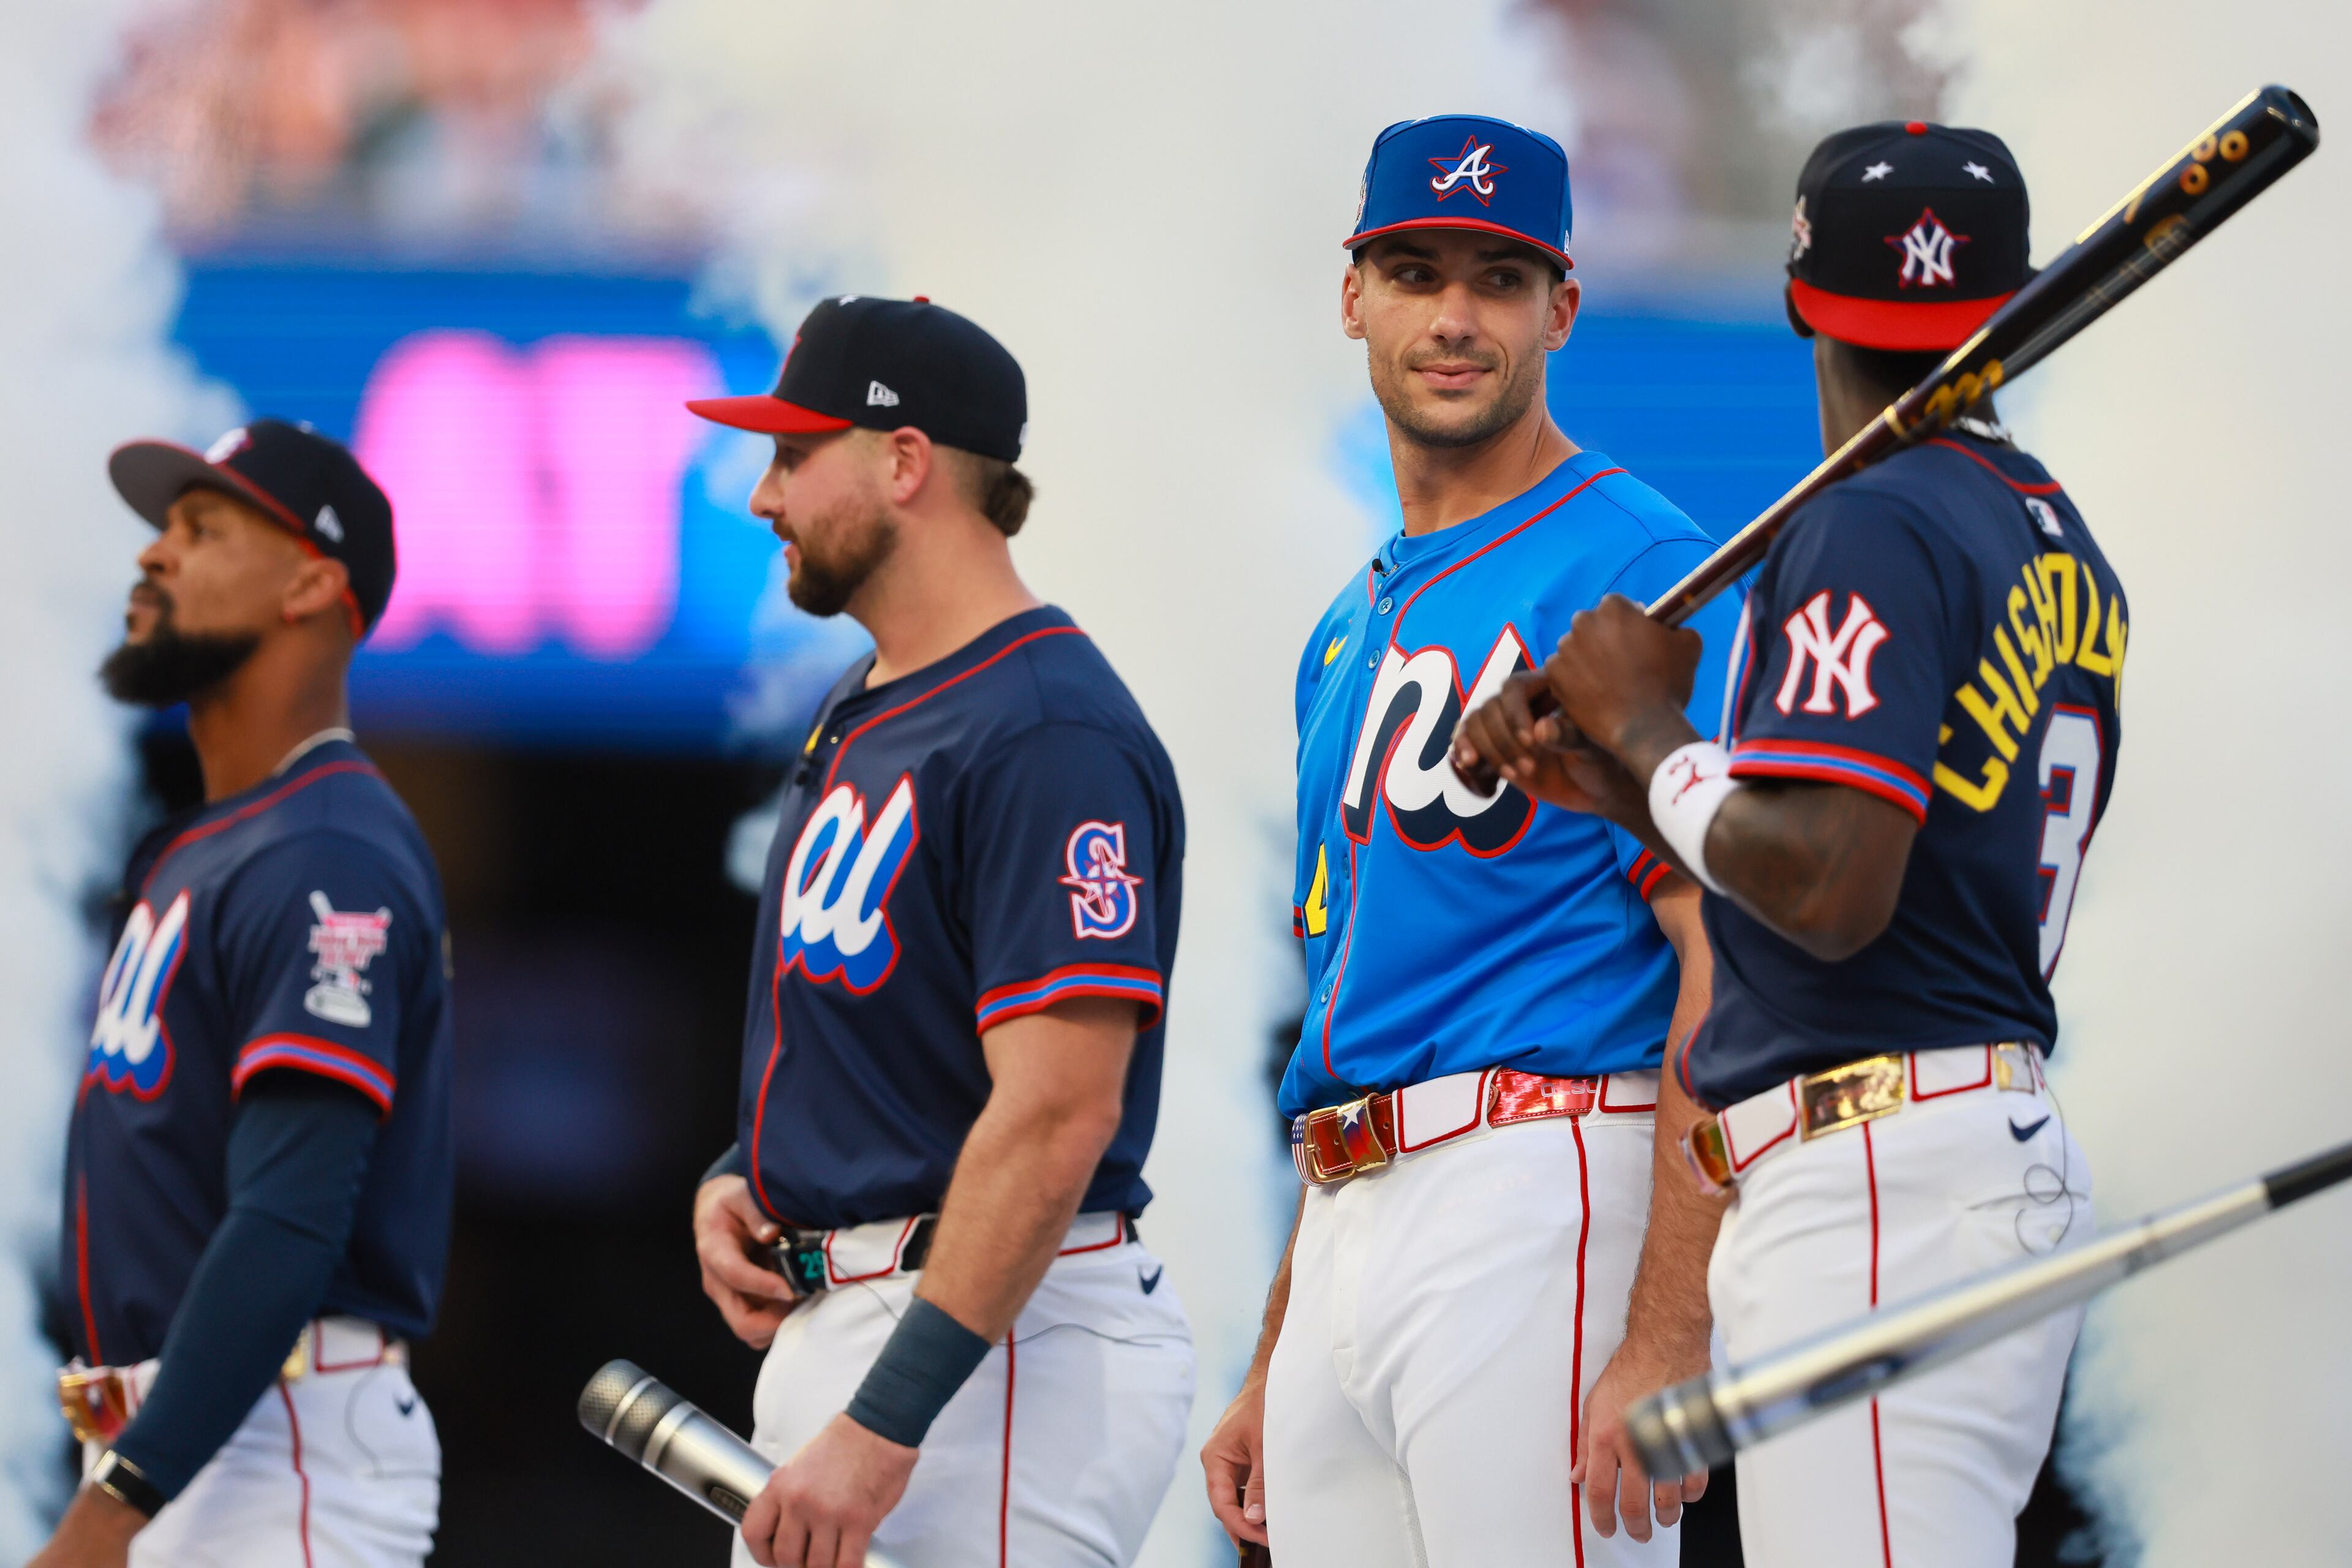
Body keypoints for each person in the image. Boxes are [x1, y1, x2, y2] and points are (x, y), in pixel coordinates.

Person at [1456, 122, 2121, 1566]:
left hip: (1881, 1171)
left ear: (1802, 295)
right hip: (1956, 1139)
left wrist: (1647, 729)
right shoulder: (2049, 528)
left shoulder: (1871, 521)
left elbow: (1826, 887)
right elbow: (1869, 866)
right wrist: (1627, 792)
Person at [1199, 115, 1744, 1567]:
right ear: (1353, 295)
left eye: (1499, 279)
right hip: (1350, 1206)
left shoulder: (1633, 571)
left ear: (1561, 307)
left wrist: (1672, 1320)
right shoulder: (1346, 624)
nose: (1453, 316)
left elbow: (1725, 953)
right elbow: (1346, 1017)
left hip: (1545, 1174)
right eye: (1416, 269)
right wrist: (1280, 1334)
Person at [682, 296, 1194, 1568]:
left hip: (990, 1359)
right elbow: (869, 1044)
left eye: (793, 452)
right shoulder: (868, 706)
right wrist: (744, 1176)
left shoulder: (1042, 727)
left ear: (905, 461)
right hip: (873, 1327)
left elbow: (1062, 1109)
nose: (763, 495)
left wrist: (885, 1420)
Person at [34, 421, 451, 1568]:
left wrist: (110, 1510)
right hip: (184, 1442)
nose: (155, 557)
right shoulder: (207, 847)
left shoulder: (329, 850)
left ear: (313, 584)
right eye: (162, 530)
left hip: (277, 1452)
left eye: (203, 529)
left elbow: (289, 1220)